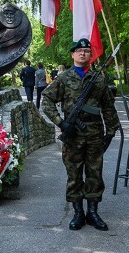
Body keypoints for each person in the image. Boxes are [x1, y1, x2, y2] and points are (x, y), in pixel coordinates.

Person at [41, 39, 120, 231]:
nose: (83, 54)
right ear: (73, 55)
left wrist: (111, 130)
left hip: (94, 133)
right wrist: (61, 123)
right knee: (74, 173)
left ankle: (93, 212)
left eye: (86, 51)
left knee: (95, 173)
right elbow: (47, 100)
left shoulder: (99, 78)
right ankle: (78, 213)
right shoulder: (64, 78)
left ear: (90, 55)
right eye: (79, 51)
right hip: (72, 133)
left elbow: (108, 107)